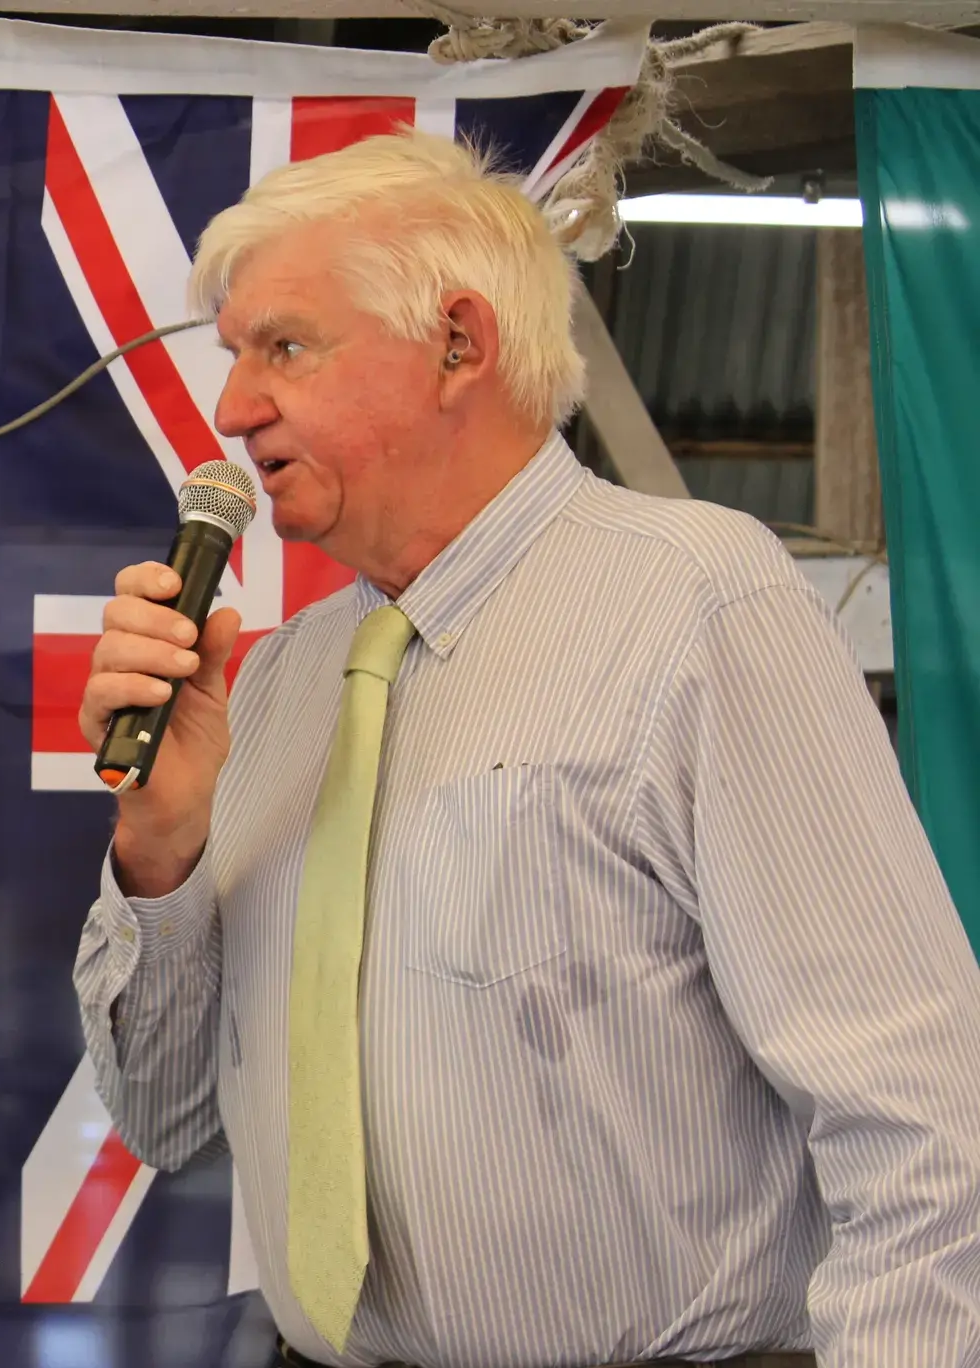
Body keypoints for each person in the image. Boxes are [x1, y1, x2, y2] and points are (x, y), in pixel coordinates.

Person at [74, 131, 980, 1368]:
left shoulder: (694, 605)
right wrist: (162, 847)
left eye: (282, 346)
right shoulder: (274, 687)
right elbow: (162, 1117)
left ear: (458, 341)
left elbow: (924, 1119)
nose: (233, 410)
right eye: (234, 358)